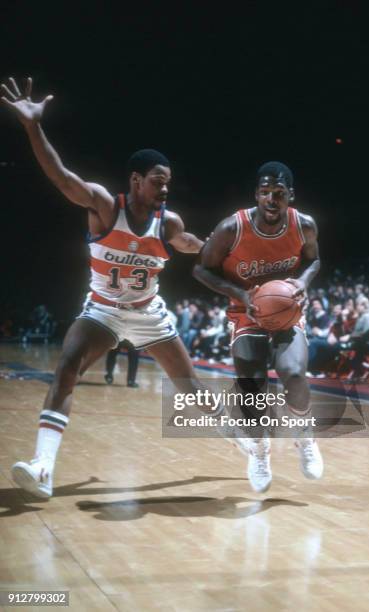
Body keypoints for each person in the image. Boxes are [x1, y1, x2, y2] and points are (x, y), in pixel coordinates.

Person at [1, 76, 212, 498]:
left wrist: (220, 252)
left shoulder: (167, 222)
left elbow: (192, 245)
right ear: (136, 180)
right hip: (103, 310)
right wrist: (33, 126)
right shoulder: (103, 205)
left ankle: (248, 442)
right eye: (158, 180)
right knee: (66, 369)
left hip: (149, 314)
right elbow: (61, 178)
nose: (165, 188)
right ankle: (43, 467)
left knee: (195, 396)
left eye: (168, 181)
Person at [194, 161, 324, 492]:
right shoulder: (231, 228)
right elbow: (201, 270)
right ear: (257, 194)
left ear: (289, 196)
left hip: (286, 310)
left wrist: (303, 282)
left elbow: (314, 259)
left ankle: (304, 436)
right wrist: (239, 292)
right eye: (265, 192)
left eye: (278, 193)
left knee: (293, 373)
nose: (271, 199)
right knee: (252, 385)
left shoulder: (303, 225)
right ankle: (260, 451)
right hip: (245, 311)